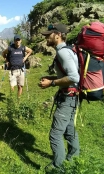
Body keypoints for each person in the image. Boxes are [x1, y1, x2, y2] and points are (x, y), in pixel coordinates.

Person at [38, 23, 80, 170]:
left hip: (67, 98)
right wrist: (51, 77)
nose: (46, 37)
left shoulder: (63, 52)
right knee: (69, 131)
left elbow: (74, 77)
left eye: (48, 35)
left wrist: (52, 83)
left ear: (58, 35)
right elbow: (68, 74)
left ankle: (58, 167)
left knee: (55, 135)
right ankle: (74, 161)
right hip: (72, 96)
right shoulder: (67, 50)